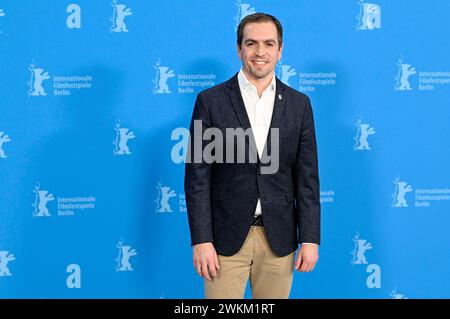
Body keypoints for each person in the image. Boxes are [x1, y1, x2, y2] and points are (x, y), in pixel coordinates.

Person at [185, 13, 320, 299]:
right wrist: (201, 239)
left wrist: (309, 238)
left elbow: (307, 179)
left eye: (269, 44)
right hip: (223, 241)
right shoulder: (210, 102)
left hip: (279, 241)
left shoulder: (299, 105)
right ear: (239, 49)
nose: (260, 52)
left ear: (280, 50)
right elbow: (197, 178)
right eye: (252, 43)